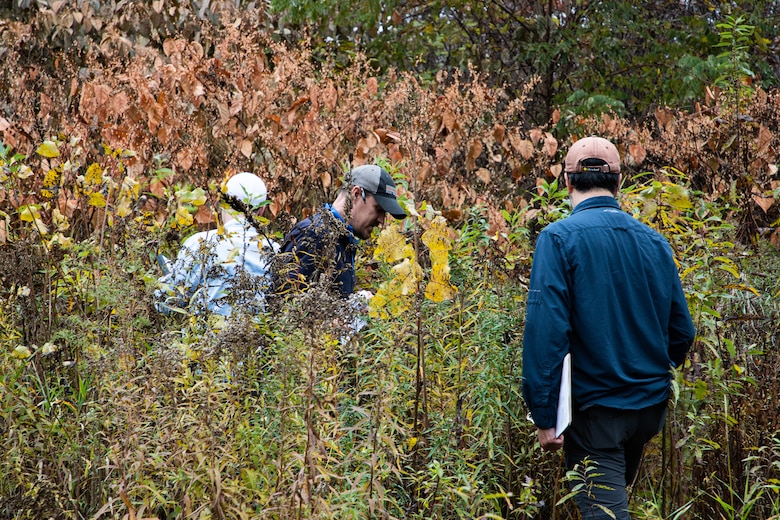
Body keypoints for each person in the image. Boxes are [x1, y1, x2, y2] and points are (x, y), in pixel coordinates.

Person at [521, 136, 696, 519]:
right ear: (619, 182)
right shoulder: (654, 243)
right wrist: (644, 371)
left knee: (606, 513)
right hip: (647, 410)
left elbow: (546, 332)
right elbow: (682, 333)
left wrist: (544, 414)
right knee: (609, 505)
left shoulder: (557, 239)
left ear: (567, 182)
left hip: (597, 413)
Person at [274, 164, 407, 301]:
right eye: (378, 209)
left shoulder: (342, 239)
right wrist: (354, 307)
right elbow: (285, 306)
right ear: (355, 194)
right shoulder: (314, 235)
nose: (381, 221)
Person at [155, 172, 279, 317]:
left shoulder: (200, 243)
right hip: (259, 337)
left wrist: (167, 279)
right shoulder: (274, 250)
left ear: (223, 204)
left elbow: (168, 303)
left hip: (205, 337)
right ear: (263, 210)